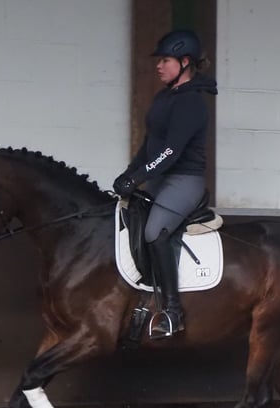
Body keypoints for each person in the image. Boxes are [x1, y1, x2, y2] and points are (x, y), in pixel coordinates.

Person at [113, 29, 218, 339]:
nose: (159, 66)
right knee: (125, 216)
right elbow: (149, 145)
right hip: (160, 178)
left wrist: (139, 177)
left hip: (184, 180)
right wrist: (129, 173)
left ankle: (173, 311)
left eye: (165, 60)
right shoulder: (163, 98)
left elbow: (171, 152)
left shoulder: (192, 104)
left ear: (185, 62)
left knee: (154, 231)